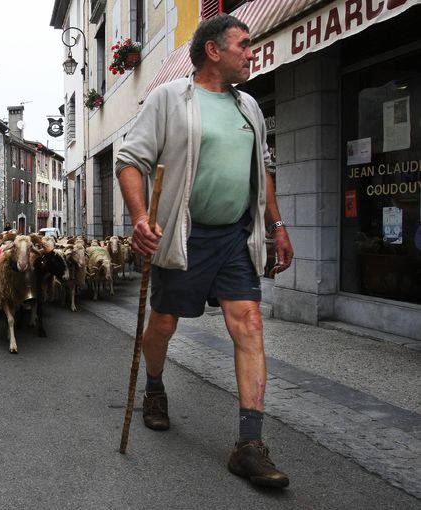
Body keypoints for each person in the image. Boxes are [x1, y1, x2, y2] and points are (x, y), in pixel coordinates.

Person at [116, 15, 294, 488]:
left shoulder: (250, 108)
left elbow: (264, 170)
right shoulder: (169, 99)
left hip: (235, 237)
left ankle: (249, 445)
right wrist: (139, 218)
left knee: (250, 325)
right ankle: (155, 387)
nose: (250, 52)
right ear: (214, 51)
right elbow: (130, 162)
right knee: (164, 324)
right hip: (183, 236)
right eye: (244, 44)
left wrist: (276, 225)